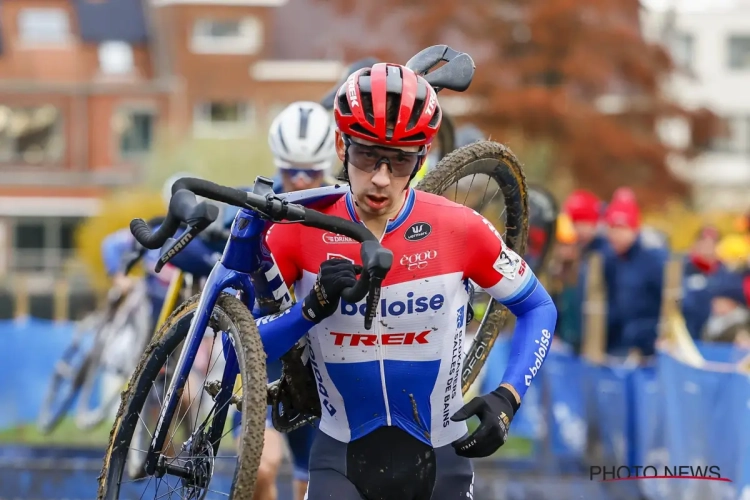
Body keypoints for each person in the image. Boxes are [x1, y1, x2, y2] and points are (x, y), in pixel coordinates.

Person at [253, 62, 558, 499]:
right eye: (365, 155)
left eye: (399, 161)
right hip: (339, 465)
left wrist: (508, 397)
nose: (380, 178)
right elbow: (237, 345)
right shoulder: (296, 229)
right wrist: (309, 310)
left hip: (440, 466)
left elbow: (539, 307)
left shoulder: (460, 228)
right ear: (341, 145)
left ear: (423, 156)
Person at [254, 100, 338, 500]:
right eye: (291, 171)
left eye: (312, 172)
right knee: (258, 472)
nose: (302, 181)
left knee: (309, 488)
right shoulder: (259, 199)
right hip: (268, 364)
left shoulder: (345, 206)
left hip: (318, 370)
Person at [602, 187, 669, 358]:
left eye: (621, 228)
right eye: (612, 228)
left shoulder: (653, 259)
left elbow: (668, 303)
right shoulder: (611, 260)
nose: (615, 234)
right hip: (621, 347)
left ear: (634, 229)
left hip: (648, 350)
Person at [681, 226, 723, 340]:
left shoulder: (724, 271)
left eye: (712, 243)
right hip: (689, 334)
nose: (708, 247)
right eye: (704, 242)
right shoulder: (684, 268)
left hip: (716, 337)